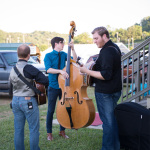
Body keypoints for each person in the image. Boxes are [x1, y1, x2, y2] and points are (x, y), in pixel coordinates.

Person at [79, 27, 122, 150]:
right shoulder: (113, 47)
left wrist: (86, 71)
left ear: (104, 36)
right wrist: (87, 66)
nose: (94, 41)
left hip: (106, 92)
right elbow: (100, 66)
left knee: (108, 123)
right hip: (114, 90)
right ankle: (115, 147)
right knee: (111, 121)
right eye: (93, 38)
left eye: (96, 38)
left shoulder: (107, 51)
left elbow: (105, 75)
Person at [9, 44, 49, 150]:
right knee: (34, 129)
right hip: (28, 100)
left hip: (15, 100)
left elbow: (10, 87)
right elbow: (45, 81)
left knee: (18, 129)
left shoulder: (13, 68)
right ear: (28, 55)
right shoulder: (29, 68)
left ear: (18, 55)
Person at [44, 37, 77, 141]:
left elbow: (75, 60)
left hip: (64, 87)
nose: (63, 45)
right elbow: (48, 70)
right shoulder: (48, 56)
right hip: (53, 87)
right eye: (62, 43)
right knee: (51, 110)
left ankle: (62, 131)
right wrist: (61, 71)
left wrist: (73, 49)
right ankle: (49, 133)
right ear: (56, 44)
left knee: (64, 109)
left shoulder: (63, 54)